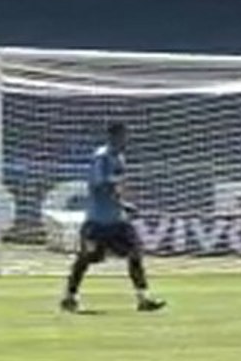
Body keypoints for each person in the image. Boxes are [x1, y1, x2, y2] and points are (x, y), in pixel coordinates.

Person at [60, 122, 165, 313]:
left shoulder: (120, 158)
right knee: (87, 258)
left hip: (117, 221)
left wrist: (123, 204)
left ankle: (144, 298)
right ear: (113, 136)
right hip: (97, 221)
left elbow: (115, 189)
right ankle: (69, 297)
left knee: (135, 253)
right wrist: (116, 188)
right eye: (123, 136)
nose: (126, 140)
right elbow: (99, 184)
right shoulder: (101, 157)